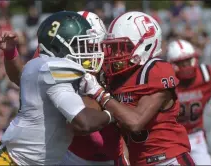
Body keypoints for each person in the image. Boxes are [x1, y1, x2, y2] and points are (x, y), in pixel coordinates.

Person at [0, 11, 128, 165]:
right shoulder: (53, 64)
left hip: (101, 152)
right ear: (63, 45)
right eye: (85, 45)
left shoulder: (106, 60)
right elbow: (81, 119)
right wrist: (111, 108)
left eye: (94, 45)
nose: (92, 52)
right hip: (61, 154)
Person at [78, 11, 195, 165]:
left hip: (167, 160)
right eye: (113, 47)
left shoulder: (155, 70)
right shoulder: (115, 77)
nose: (115, 53)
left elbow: (135, 122)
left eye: (123, 47)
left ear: (145, 45)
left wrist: (100, 93)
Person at [166, 39, 211, 165]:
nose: (187, 66)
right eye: (181, 63)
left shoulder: (206, 76)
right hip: (172, 138)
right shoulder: (166, 82)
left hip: (196, 135)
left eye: (189, 60)